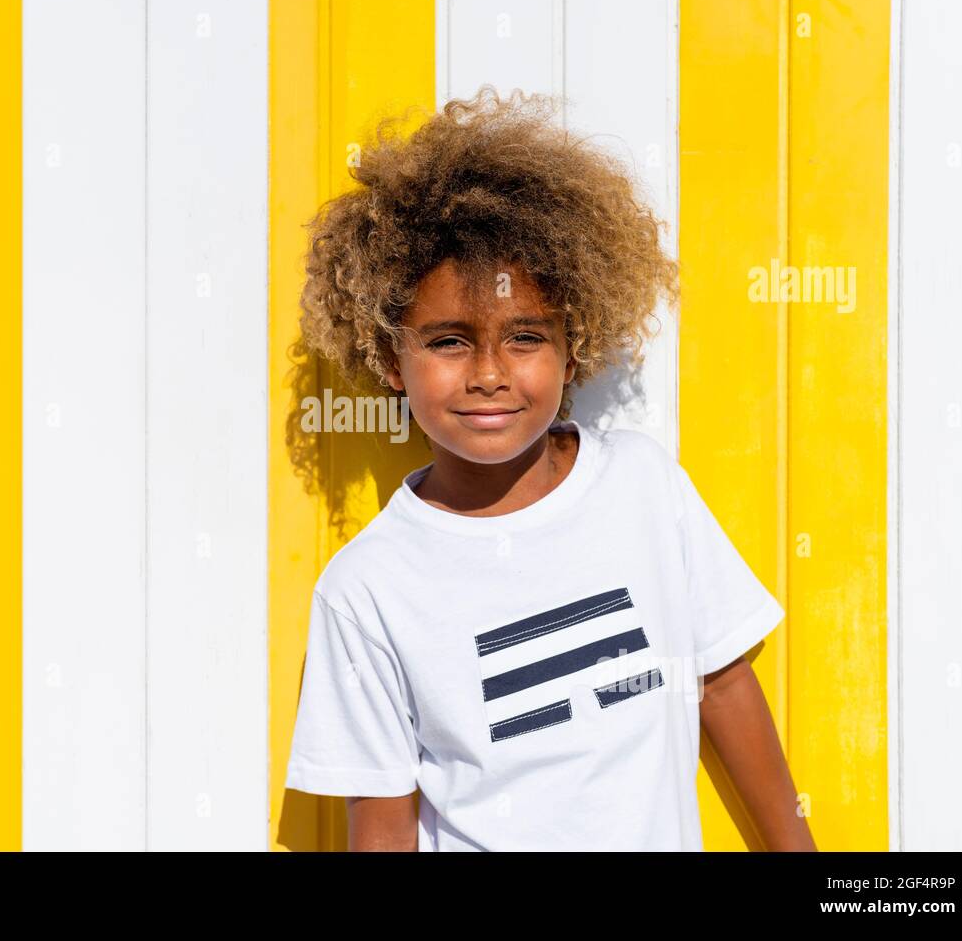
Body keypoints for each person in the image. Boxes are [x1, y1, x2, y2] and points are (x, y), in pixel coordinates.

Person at [283, 86, 816, 852]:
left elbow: (723, 683)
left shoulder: (642, 486)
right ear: (388, 357)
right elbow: (382, 825)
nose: (490, 374)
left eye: (525, 336)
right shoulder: (365, 591)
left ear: (576, 343)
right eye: (447, 342)